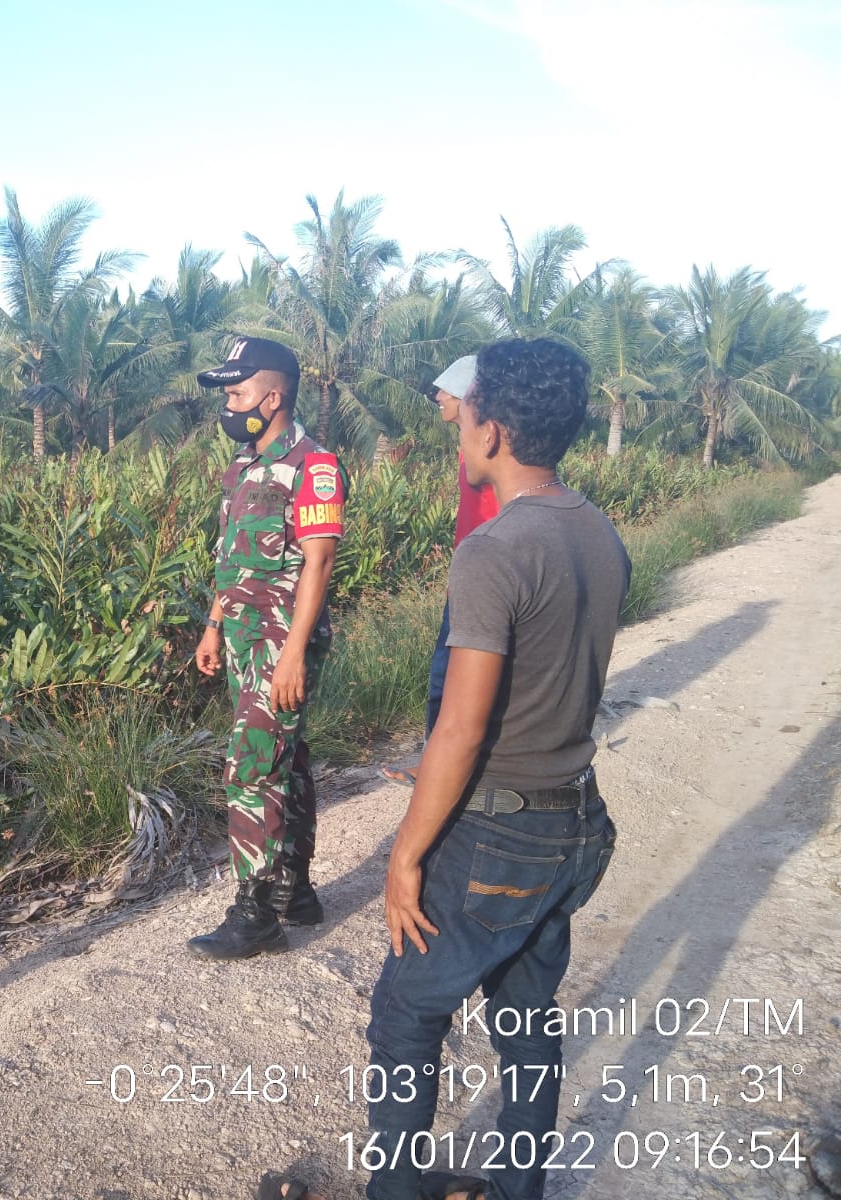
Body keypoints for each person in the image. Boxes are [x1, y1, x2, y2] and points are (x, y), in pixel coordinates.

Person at [263, 337, 628, 1200]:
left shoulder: (494, 551)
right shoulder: (597, 532)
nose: (455, 423)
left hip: (498, 828)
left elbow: (460, 731)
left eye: (465, 410)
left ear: (492, 430)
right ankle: (516, 1190)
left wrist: (404, 856)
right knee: (527, 1021)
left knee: (406, 1016)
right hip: (574, 816)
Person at [189, 336, 343, 960]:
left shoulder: (315, 465)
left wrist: (294, 652)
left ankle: (255, 914)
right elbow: (233, 557)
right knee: (286, 758)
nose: (229, 404)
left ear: (272, 396)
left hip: (282, 638)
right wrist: (213, 623)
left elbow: (320, 561)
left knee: (251, 766)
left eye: (237, 392)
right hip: (244, 636)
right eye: (227, 393)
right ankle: (295, 890)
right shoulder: (242, 468)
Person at [379, 355, 498, 787]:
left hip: (484, 577)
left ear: (470, 395)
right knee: (448, 674)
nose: (437, 397)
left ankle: (441, 768)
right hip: (468, 571)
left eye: (446, 389)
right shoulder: (470, 447)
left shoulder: (487, 447)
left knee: (449, 676)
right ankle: (440, 760)